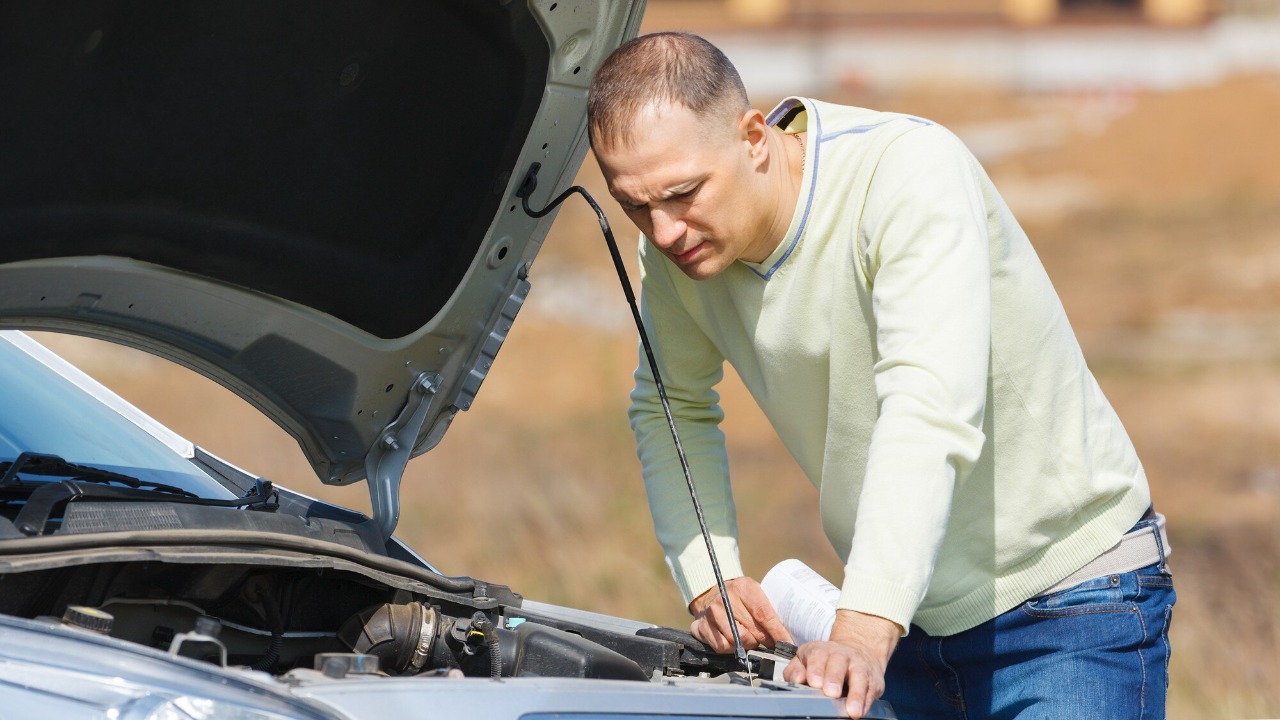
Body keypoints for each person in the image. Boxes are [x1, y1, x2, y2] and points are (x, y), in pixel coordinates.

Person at [585, 31, 1176, 719]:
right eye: (634, 205)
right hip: (908, 624)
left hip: (1069, 607)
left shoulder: (908, 173)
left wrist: (862, 631)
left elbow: (927, 405)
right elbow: (671, 406)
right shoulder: (673, 256)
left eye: (683, 194)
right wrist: (709, 578)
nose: (663, 233)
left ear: (753, 137)